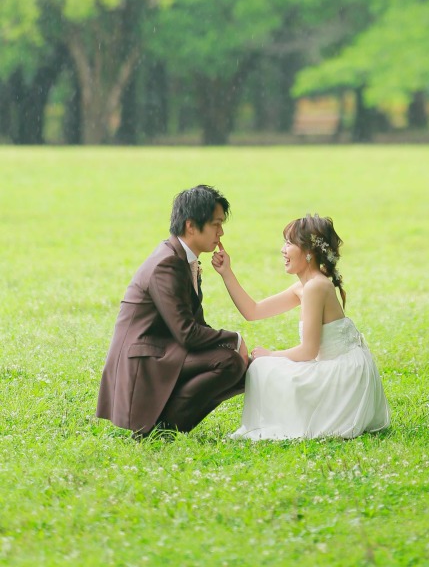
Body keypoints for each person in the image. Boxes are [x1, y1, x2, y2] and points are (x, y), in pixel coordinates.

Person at [212, 213, 390, 440]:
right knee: (265, 366)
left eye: (289, 243)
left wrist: (271, 354)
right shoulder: (305, 285)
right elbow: (253, 311)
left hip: (344, 376)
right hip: (339, 366)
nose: (282, 250)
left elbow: (308, 352)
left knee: (261, 367)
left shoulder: (316, 286)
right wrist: (227, 272)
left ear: (309, 251)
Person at [96, 184, 249, 437]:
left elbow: (194, 325)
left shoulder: (183, 259)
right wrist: (235, 339)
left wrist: (230, 346)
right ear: (191, 226)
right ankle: (161, 429)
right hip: (143, 359)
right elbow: (188, 334)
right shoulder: (167, 264)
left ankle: (164, 422)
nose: (221, 232)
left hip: (163, 349)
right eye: (215, 224)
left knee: (243, 367)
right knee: (229, 362)